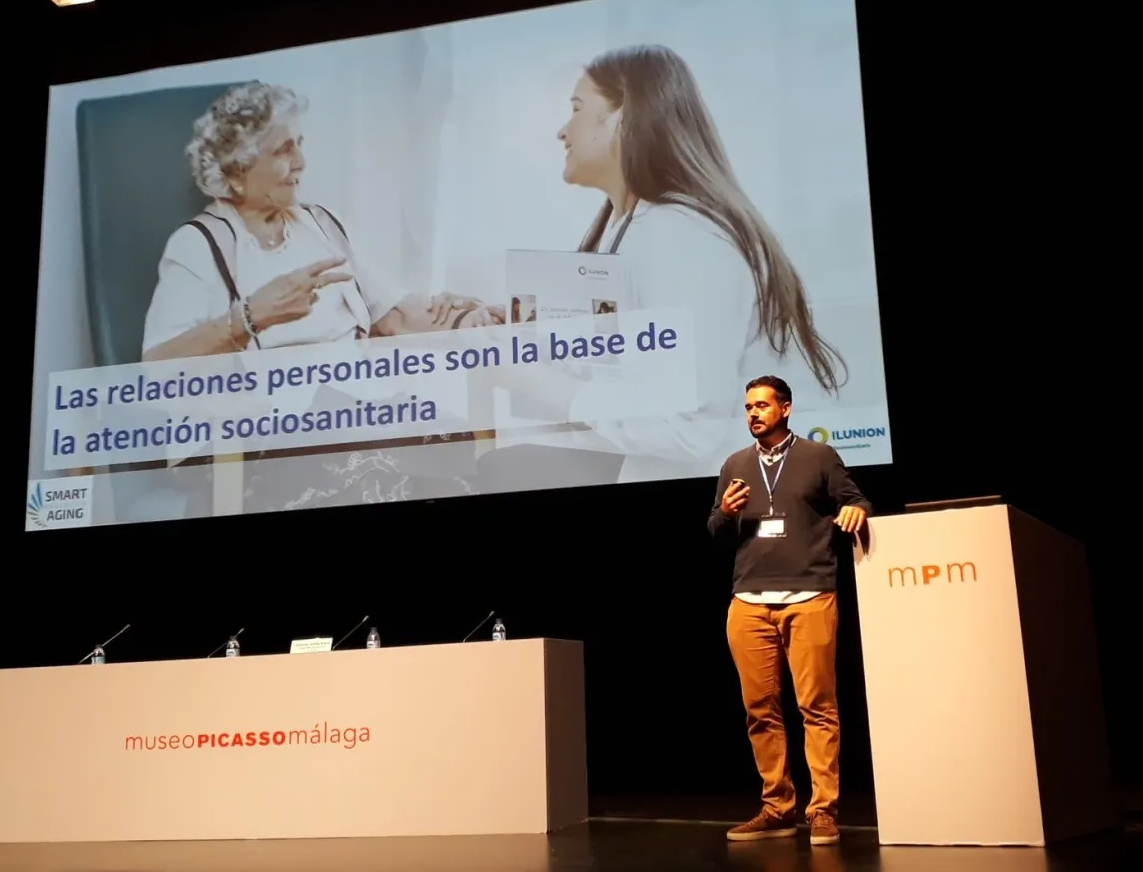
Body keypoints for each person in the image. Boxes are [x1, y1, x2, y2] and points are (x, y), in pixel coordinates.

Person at [459, 45, 848, 486]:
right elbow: (636, 376)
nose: (562, 131)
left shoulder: (683, 237)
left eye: (576, 109)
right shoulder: (633, 226)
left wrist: (528, 379)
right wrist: (526, 341)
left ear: (624, 119)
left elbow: (687, 425)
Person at [142, 80, 498, 363]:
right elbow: (157, 366)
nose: (301, 162)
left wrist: (464, 322)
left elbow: (394, 317)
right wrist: (251, 317)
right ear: (236, 171)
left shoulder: (320, 224)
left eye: (299, 144)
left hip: (350, 410)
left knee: (444, 432)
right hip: (260, 432)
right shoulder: (198, 244)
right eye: (284, 150)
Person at [706, 375, 869, 846]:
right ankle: (778, 807)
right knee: (760, 710)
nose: (753, 413)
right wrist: (726, 513)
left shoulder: (818, 457)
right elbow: (715, 528)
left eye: (762, 405)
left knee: (817, 707)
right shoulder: (736, 463)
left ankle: (823, 810)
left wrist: (857, 511)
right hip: (749, 600)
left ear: (786, 408)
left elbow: (854, 500)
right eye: (748, 407)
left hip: (809, 594)